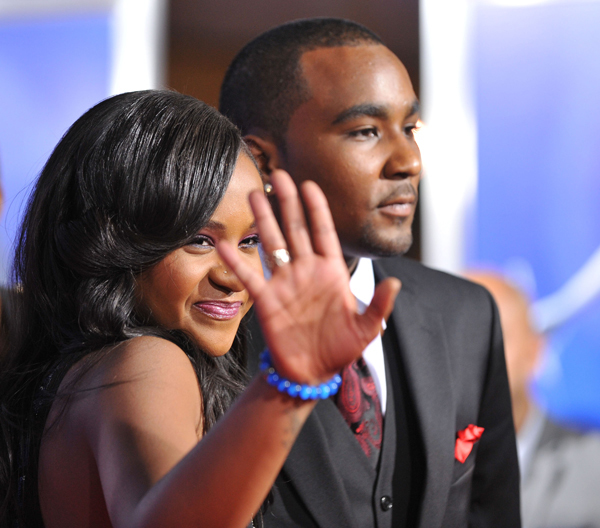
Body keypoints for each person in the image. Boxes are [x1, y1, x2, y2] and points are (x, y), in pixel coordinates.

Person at [0, 90, 400, 528]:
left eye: (250, 242)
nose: (232, 277)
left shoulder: (75, 371)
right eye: (200, 240)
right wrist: (289, 387)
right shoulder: (146, 362)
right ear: (114, 241)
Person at [219, 18, 521, 527]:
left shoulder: (466, 315)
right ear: (263, 161)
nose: (409, 162)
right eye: (365, 131)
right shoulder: (205, 326)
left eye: (411, 129)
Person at [465, 270, 600, 528]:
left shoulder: (594, 468)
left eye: (494, 336)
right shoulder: (417, 464)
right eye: (460, 339)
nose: (476, 355)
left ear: (534, 351)